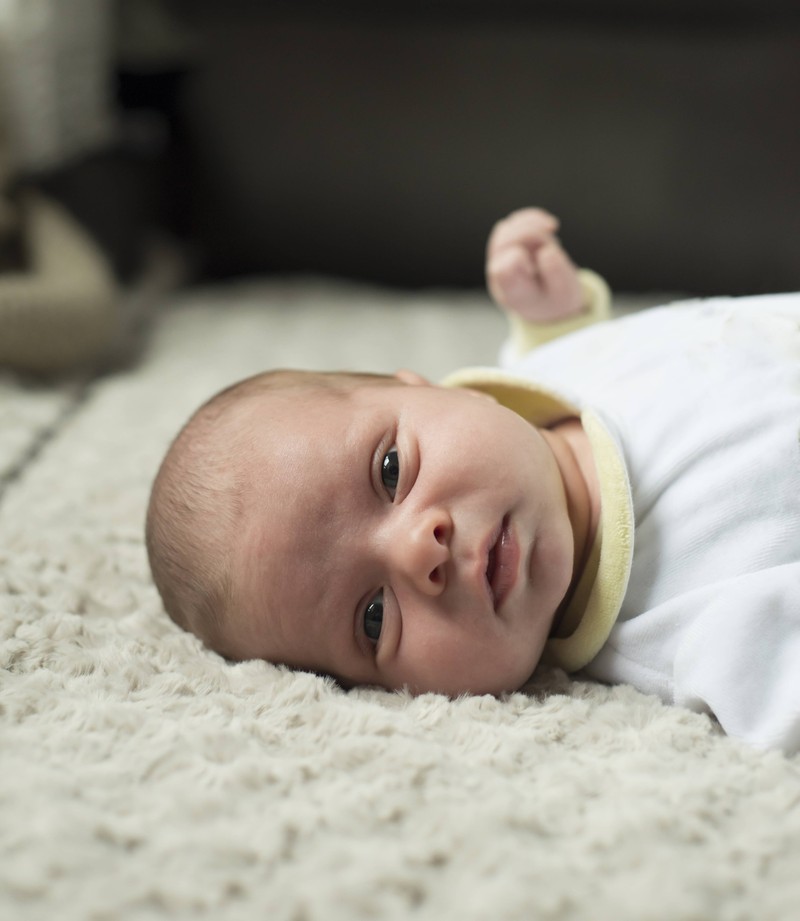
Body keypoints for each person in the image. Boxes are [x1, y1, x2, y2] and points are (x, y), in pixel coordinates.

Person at [146, 209, 800, 753]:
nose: (417, 550)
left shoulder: (559, 368)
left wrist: (559, 316)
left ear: (423, 386)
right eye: (374, 618)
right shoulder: (686, 633)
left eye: (390, 470)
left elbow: (576, 355)